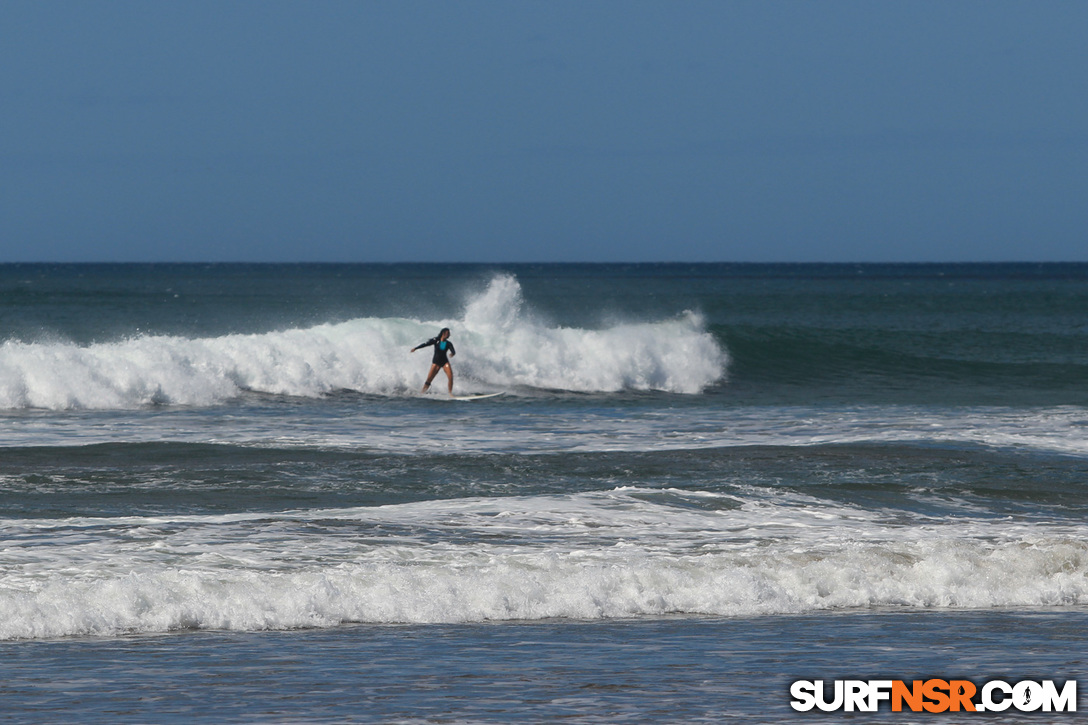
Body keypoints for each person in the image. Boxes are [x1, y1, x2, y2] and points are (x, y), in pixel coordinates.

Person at [411, 327, 456, 395]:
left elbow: (453, 351)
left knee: (450, 377)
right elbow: (426, 344)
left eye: (449, 333)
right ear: (443, 333)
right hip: (436, 363)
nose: (449, 335)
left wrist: (452, 354)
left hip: (445, 362)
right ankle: (422, 392)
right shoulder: (436, 340)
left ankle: (450, 393)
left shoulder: (449, 343)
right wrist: (416, 348)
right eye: (448, 333)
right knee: (429, 379)